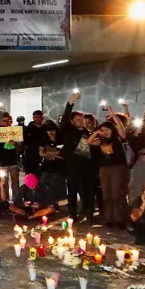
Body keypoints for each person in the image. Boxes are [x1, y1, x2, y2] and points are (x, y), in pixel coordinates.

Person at [88, 108, 130, 228]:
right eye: (103, 129)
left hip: (118, 168)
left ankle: (120, 218)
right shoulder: (101, 140)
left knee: (117, 193)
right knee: (106, 194)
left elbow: (120, 125)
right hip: (104, 169)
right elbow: (89, 141)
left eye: (106, 129)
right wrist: (97, 132)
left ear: (112, 129)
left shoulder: (119, 138)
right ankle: (109, 218)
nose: (104, 131)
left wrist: (111, 112)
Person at [61, 93, 96, 222]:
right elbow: (65, 119)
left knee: (88, 189)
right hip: (72, 165)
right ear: (72, 121)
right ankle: (73, 213)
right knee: (72, 190)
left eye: (82, 120)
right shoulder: (69, 131)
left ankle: (89, 211)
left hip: (86, 166)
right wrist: (70, 102)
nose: (81, 122)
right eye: (78, 120)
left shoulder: (88, 133)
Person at [38, 123, 67, 204]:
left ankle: (58, 200)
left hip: (58, 165)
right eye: (48, 131)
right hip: (47, 165)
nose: (50, 132)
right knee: (44, 182)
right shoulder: (44, 140)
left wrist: (50, 153)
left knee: (58, 183)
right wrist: (52, 154)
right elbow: (41, 153)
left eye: (52, 130)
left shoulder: (61, 140)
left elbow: (62, 152)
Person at [23, 110, 47, 178]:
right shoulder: (28, 129)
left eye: (39, 117)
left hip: (42, 154)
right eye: (35, 117)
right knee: (30, 174)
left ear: (42, 118)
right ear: (33, 118)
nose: (37, 119)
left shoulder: (45, 129)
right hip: (30, 154)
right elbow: (24, 141)